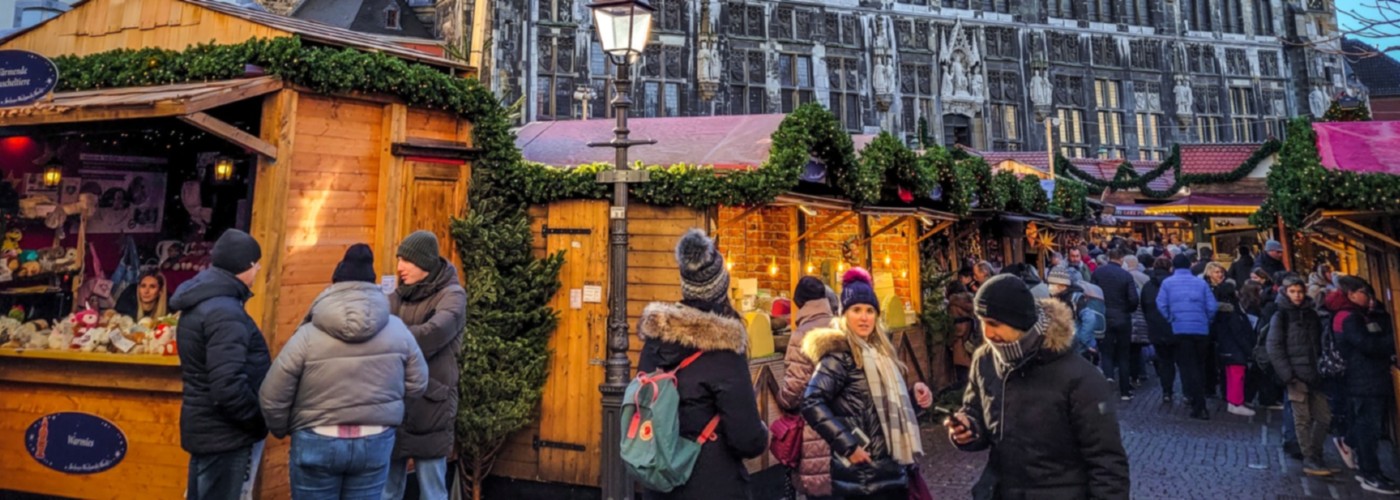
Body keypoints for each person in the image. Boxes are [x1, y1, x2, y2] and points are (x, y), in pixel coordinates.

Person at [259, 244, 430, 498]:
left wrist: (287, 428)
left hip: (316, 439)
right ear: (373, 286)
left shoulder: (307, 335)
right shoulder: (398, 331)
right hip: (375, 439)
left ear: (334, 286)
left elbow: (271, 395)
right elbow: (419, 383)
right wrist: (388, 410)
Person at [947, 275, 1129, 499]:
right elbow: (975, 409)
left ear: (1019, 321)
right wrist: (968, 428)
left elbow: (1107, 464)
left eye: (994, 323)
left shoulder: (1080, 377)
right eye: (982, 321)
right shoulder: (985, 360)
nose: (987, 333)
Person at [638, 229, 768, 500]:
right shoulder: (725, 351)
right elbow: (747, 438)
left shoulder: (654, 341)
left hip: (661, 481)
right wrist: (764, 434)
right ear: (722, 290)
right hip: (713, 483)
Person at [803, 268, 933, 500]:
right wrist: (849, 446)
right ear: (844, 315)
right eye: (856, 310)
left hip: (892, 470)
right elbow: (811, 401)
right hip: (861, 478)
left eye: (869, 311)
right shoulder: (839, 355)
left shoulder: (882, 355)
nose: (864, 317)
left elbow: (886, 410)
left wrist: (915, 397)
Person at [170, 229, 270, 500]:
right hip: (225, 433)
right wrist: (256, 420)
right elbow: (227, 384)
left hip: (207, 427)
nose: (258, 270)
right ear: (246, 266)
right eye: (256, 264)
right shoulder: (225, 312)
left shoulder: (205, 302)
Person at [384, 231, 467, 500]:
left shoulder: (453, 296)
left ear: (426, 263)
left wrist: (389, 336)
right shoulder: (397, 296)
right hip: (395, 408)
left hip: (432, 408)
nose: (399, 268)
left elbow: (434, 333)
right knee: (387, 492)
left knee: (432, 493)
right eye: (399, 259)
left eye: (406, 260)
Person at [1329, 277, 1399, 494]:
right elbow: (1365, 344)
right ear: (1351, 294)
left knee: (1367, 426)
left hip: (1366, 379)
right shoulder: (1350, 318)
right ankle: (1371, 473)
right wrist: (1393, 341)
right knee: (1368, 428)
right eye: (1364, 293)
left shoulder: (1356, 315)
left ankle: (1369, 470)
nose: (1369, 298)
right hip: (1364, 380)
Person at [778, 276, 839, 498]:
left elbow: (794, 389)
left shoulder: (801, 335)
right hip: (846, 426)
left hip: (815, 427)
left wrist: (781, 399)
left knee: (819, 489)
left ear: (799, 303)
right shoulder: (841, 326)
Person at [1267, 276, 1334, 476]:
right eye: (1293, 292)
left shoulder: (1311, 314)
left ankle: (1315, 453)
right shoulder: (1280, 316)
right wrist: (1288, 375)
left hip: (1315, 373)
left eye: (1299, 291)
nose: (1297, 295)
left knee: (1324, 418)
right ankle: (1309, 458)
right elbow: (1274, 346)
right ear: (1285, 293)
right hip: (1296, 375)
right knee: (1302, 419)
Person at [1157, 254, 1218, 420]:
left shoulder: (1168, 283)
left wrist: (1171, 318)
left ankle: (1196, 402)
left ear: (1173, 267)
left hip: (1180, 329)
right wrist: (1206, 320)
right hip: (1200, 329)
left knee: (1187, 366)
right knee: (1199, 365)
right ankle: (1200, 401)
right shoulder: (1200, 283)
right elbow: (1212, 306)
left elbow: (1161, 304)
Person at [1093, 247, 1140, 400]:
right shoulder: (1126, 275)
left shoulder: (1098, 273)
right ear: (1121, 259)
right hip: (1122, 317)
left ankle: (1107, 383)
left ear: (1108, 257)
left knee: (1106, 352)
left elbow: (1091, 293)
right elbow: (1133, 299)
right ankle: (1125, 391)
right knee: (1123, 355)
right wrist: (1126, 310)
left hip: (1104, 316)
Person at [1211, 281, 1257, 417]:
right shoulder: (1233, 313)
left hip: (1225, 347)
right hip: (1234, 348)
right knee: (1237, 375)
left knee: (1231, 375)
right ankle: (1236, 402)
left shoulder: (1219, 312)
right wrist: (1249, 349)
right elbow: (1239, 333)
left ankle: (1234, 401)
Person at [1141, 256, 1179, 404]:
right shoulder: (1174, 284)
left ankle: (1167, 391)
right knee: (1181, 360)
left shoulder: (1148, 286)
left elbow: (1143, 306)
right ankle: (1188, 393)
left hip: (1155, 328)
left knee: (1164, 361)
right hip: (1174, 327)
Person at [1047, 266, 1098, 358]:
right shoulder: (1057, 297)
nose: (1050, 287)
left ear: (1062, 285)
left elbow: (1090, 318)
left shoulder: (1076, 298)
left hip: (1079, 348)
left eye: (1052, 284)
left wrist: (1081, 340)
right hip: (1069, 345)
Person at [947, 278, 979, 385]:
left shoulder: (953, 305)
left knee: (963, 375)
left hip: (960, 344)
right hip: (972, 340)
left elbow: (958, 328)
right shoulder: (971, 301)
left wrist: (951, 340)